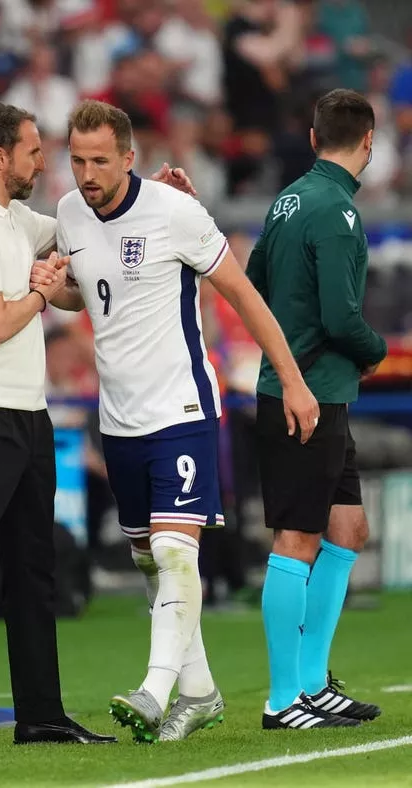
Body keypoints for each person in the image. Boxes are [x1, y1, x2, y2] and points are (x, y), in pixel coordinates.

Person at [0, 101, 196, 752]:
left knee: (34, 566)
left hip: (27, 414)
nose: (41, 161)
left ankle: (40, 717)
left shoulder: (17, 219)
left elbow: (90, 231)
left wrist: (152, 198)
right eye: (30, 150)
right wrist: (44, 293)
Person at [30, 99, 319, 742]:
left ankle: (154, 691)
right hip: (120, 417)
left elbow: (243, 295)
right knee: (152, 563)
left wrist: (293, 382)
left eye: (100, 160)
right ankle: (201, 691)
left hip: (182, 407)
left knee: (171, 550)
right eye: (76, 160)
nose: (86, 173)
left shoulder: (175, 212)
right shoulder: (71, 215)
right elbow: (90, 291)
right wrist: (56, 289)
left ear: (129, 158)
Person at [247, 88, 387, 730]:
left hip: (321, 392)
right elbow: (342, 315)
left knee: (347, 529)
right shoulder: (338, 211)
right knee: (297, 538)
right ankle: (284, 699)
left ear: (312, 139)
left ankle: (310, 683)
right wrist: (375, 348)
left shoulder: (285, 201)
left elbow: (252, 282)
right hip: (305, 396)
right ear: (369, 141)